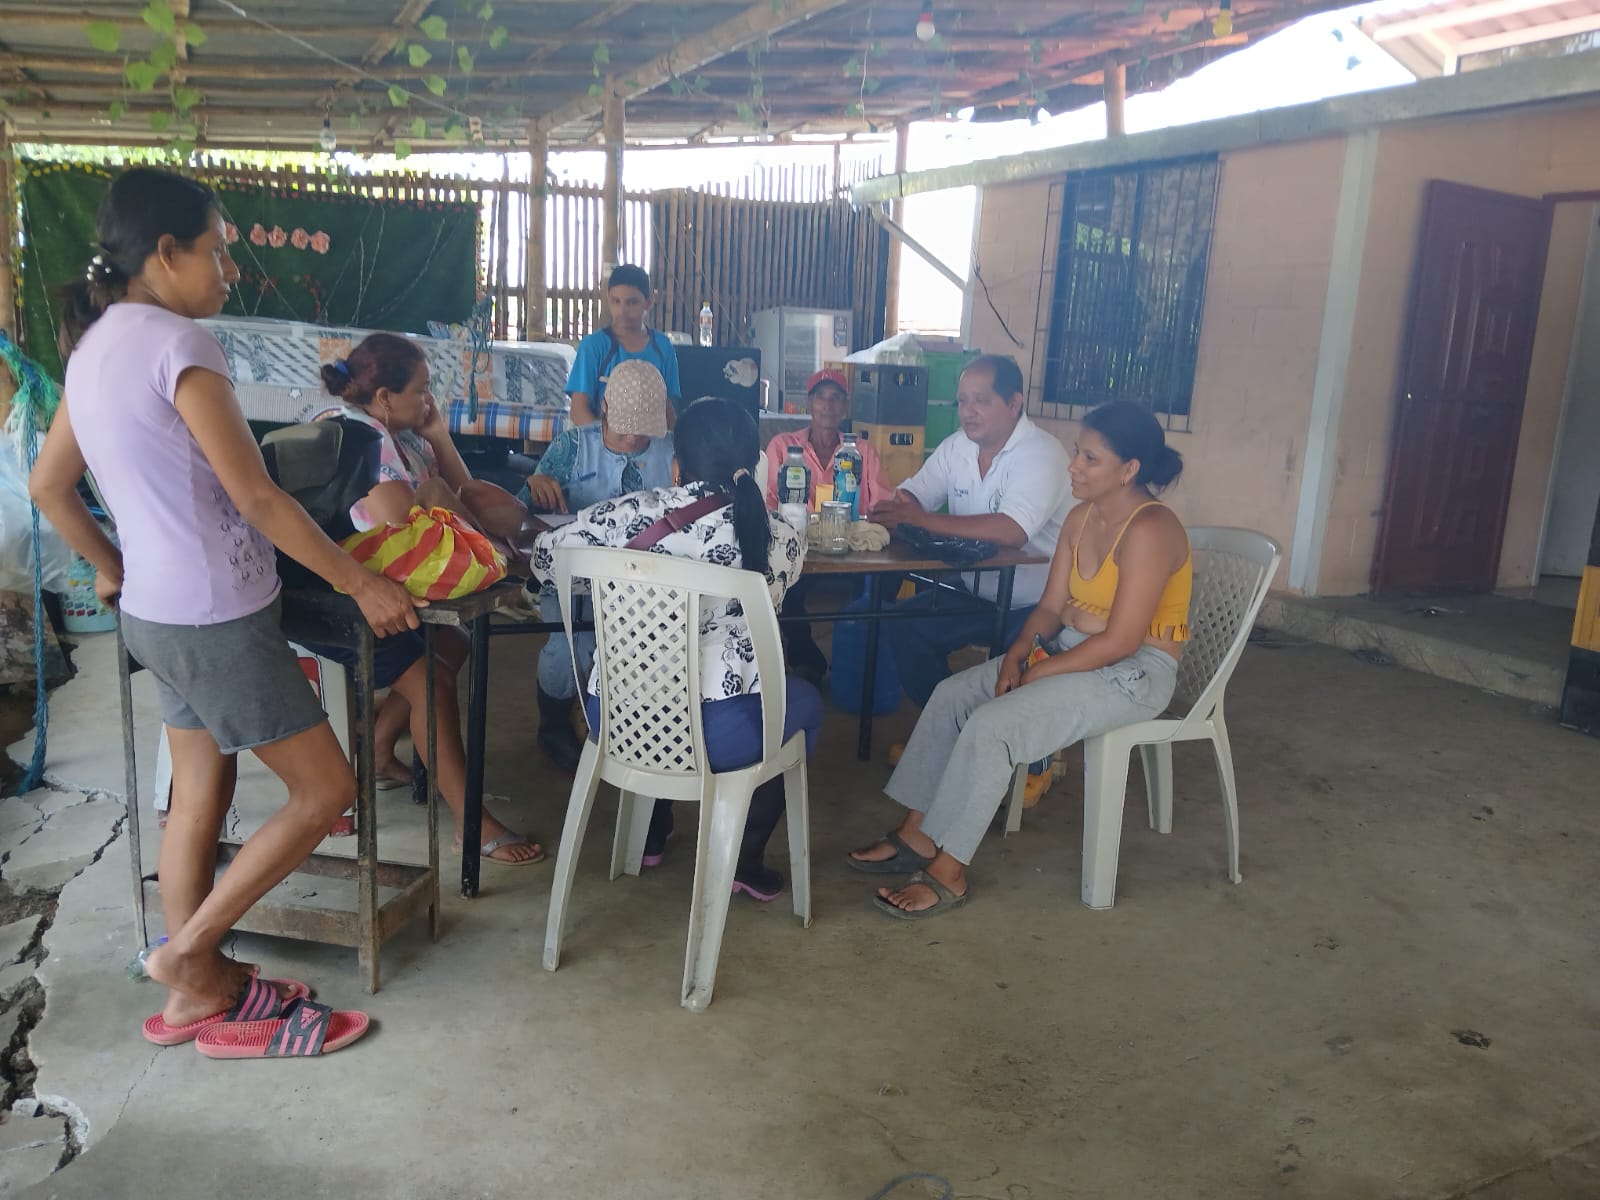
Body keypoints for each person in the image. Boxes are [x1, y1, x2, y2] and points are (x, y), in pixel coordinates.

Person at [28, 166, 420, 1047]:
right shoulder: (179, 346)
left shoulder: (92, 349)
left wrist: (113, 567)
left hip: (156, 614)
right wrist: (360, 581)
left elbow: (49, 486)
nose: (232, 270)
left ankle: (196, 990)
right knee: (326, 790)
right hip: (214, 614)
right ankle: (187, 955)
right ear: (166, 254)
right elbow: (258, 497)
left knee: (202, 787)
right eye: (219, 250)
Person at [849, 401, 1191, 919]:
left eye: (1090, 459)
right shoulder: (1080, 518)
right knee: (952, 695)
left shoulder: (1151, 529)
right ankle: (918, 833)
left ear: (1130, 470)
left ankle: (949, 870)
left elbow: (1122, 640)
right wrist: (1016, 655)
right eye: (1077, 452)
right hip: (1075, 648)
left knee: (994, 724)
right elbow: (1050, 608)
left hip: (1134, 672)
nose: (1073, 466)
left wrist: (1040, 670)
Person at [528, 397, 817, 900]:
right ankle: (744, 859)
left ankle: (652, 831)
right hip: (724, 732)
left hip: (615, 717)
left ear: (676, 466)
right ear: (753, 467)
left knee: (662, 677)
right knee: (806, 702)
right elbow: (782, 587)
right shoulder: (778, 536)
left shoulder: (620, 516)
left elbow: (545, 562)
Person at [311, 333, 544, 864]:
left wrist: (437, 435)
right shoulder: (357, 438)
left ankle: (377, 747)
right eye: (421, 390)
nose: (429, 400)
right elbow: (404, 524)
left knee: (454, 645)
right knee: (432, 677)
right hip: (344, 594)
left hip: (387, 584)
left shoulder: (403, 436)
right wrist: (467, 521)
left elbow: (463, 491)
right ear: (385, 396)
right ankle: (469, 821)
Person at [868, 354, 1073, 711]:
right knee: (905, 625)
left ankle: (979, 730)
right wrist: (902, 505)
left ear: (1014, 404)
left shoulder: (1041, 454)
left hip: (1036, 607)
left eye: (981, 400)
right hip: (977, 591)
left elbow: (1012, 530)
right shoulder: (956, 447)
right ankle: (948, 720)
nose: (968, 411)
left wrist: (920, 519)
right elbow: (915, 494)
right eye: (962, 401)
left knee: (1012, 686)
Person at [520, 358, 675, 771]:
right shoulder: (572, 447)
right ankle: (553, 725)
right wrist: (534, 485)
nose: (634, 437)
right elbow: (522, 511)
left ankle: (633, 730)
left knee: (657, 645)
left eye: (644, 429)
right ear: (604, 408)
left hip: (649, 578)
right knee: (575, 645)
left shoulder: (673, 450)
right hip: (575, 577)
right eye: (624, 428)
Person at [763, 368, 892, 682]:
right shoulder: (783, 446)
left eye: (836, 398)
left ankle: (859, 659)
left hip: (852, 546)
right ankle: (807, 658)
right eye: (820, 397)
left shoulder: (862, 451)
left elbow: (882, 503)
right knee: (782, 582)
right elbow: (769, 500)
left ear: (845, 407)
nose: (828, 405)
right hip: (800, 545)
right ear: (809, 404)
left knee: (885, 582)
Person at [565, 264, 681, 429]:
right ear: (608, 299)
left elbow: (667, 408)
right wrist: (612, 439)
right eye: (616, 301)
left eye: (632, 302)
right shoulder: (593, 346)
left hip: (650, 439)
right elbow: (578, 412)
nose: (622, 311)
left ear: (649, 302)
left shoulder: (663, 347)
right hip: (600, 438)